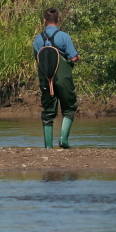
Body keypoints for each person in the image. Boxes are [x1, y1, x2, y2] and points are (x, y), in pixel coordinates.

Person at [33, 8, 80, 149]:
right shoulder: (64, 36)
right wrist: (78, 57)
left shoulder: (37, 39)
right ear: (58, 20)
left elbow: (38, 59)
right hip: (63, 78)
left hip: (46, 79)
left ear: (44, 21)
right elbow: (73, 57)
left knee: (48, 111)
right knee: (69, 107)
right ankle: (63, 140)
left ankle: (48, 147)